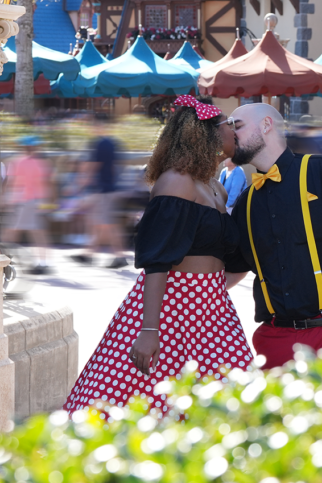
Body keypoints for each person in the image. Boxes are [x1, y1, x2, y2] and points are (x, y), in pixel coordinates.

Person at [64, 96, 253, 416]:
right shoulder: (176, 182)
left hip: (212, 312)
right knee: (143, 401)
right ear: (206, 132)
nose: (234, 131)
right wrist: (149, 329)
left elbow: (223, 258)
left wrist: (210, 295)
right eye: (228, 125)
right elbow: (157, 260)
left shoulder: (215, 187)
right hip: (167, 311)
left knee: (228, 402)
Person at [222, 102, 322, 368]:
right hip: (272, 339)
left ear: (266, 125)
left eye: (236, 126)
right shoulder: (245, 202)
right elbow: (237, 267)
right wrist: (180, 291)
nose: (230, 135)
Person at [74, 113, 128, 268]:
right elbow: (117, 165)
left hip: (102, 189)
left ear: (98, 125)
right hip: (108, 187)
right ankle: (89, 254)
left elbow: (93, 166)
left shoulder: (100, 143)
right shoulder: (112, 143)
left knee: (107, 224)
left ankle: (118, 256)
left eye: (92, 125)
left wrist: (82, 182)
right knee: (99, 223)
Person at [2, 135, 54, 274]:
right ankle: (44, 262)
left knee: (11, 232)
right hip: (35, 201)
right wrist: (46, 202)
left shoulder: (17, 162)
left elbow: (12, 182)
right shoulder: (42, 163)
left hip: (22, 201)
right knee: (37, 233)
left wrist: (5, 199)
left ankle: (4, 260)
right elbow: (45, 183)